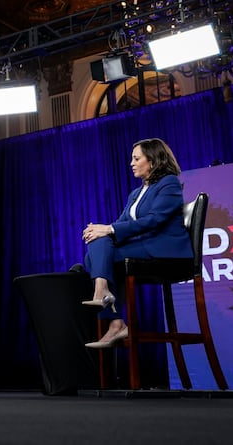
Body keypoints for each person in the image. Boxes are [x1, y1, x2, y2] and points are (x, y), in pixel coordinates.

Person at [80, 138, 193, 349]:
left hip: (164, 251)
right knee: (96, 247)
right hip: (145, 246)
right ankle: (115, 320)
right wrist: (100, 229)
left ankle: (105, 299)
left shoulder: (169, 182)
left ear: (153, 160)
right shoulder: (135, 193)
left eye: (136, 158)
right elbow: (121, 225)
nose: (131, 163)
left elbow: (156, 219)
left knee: (99, 249)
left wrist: (108, 229)